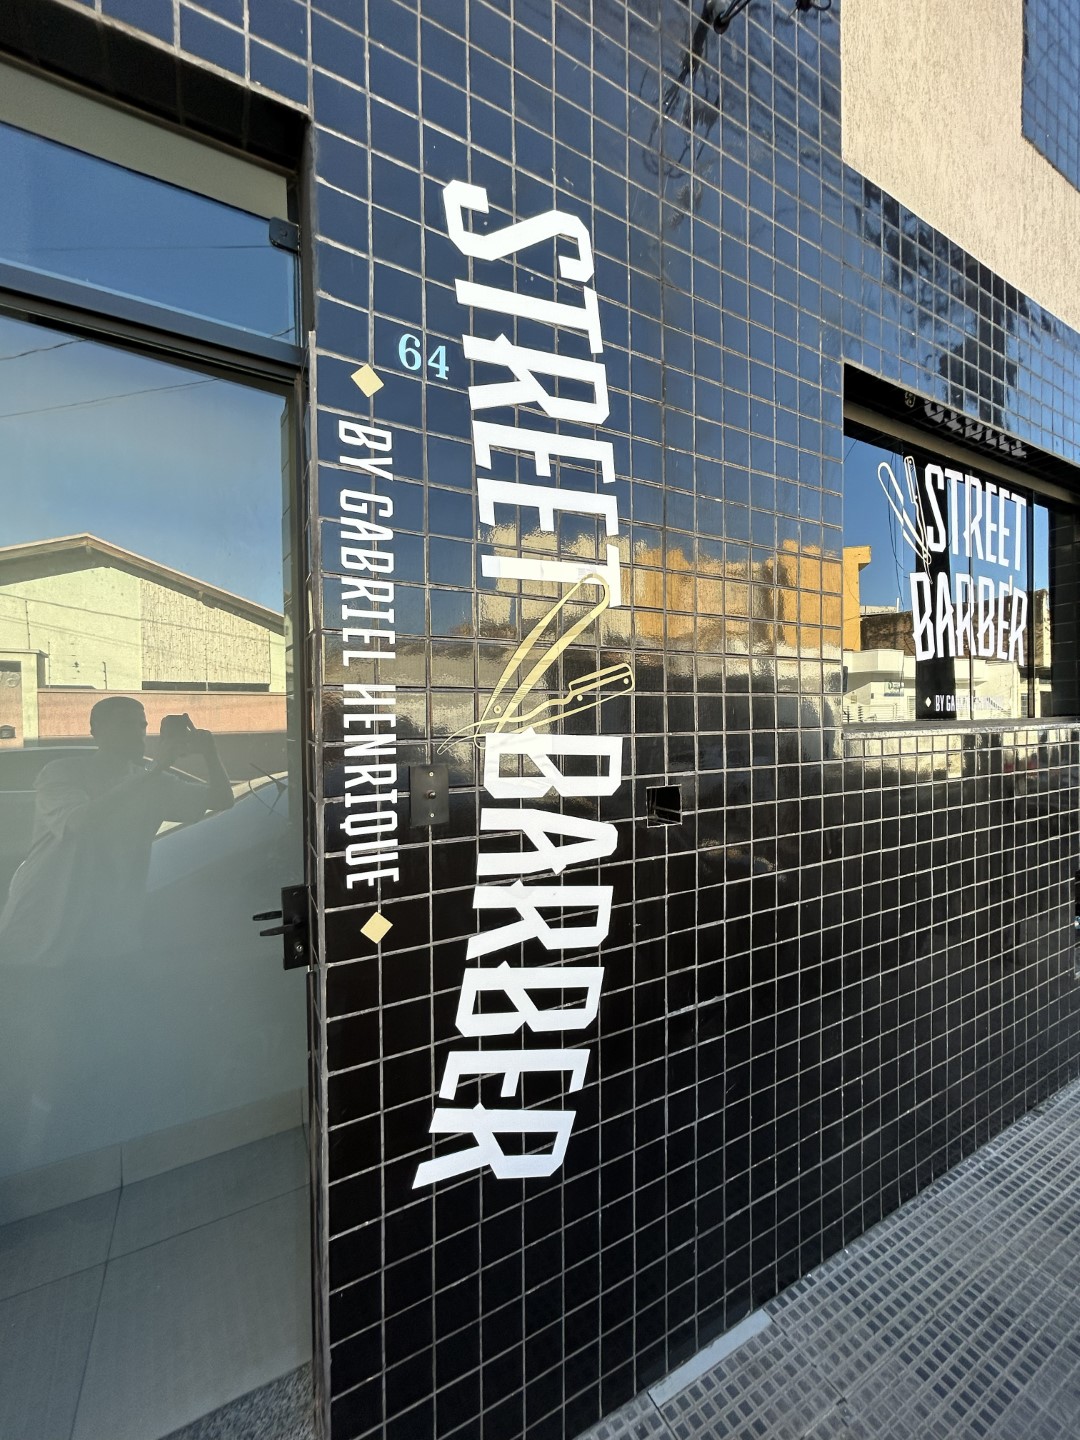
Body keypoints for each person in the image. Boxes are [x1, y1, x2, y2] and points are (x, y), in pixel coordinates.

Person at [0, 697, 234, 968]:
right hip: (44, 922)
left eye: (141, 725)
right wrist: (155, 768)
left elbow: (221, 799)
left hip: (108, 930)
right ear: (96, 731)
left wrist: (209, 753)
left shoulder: (155, 783)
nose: (137, 733)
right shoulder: (62, 773)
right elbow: (81, 823)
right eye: (125, 725)